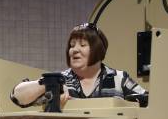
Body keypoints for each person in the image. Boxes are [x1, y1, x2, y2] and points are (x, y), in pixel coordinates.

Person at [11, 22, 147, 108]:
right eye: (71, 45)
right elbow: (17, 97)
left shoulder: (119, 78)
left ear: (98, 50)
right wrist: (50, 83)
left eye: (82, 45)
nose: (74, 50)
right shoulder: (60, 79)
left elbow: (148, 102)